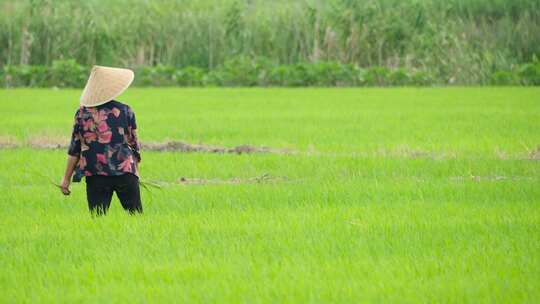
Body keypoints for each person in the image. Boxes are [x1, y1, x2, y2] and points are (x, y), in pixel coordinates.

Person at [60, 65, 143, 215]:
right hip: (125, 172)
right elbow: (134, 146)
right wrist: (136, 173)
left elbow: (75, 149)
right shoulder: (125, 111)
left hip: (95, 174)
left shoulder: (81, 114)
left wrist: (66, 179)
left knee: (98, 221)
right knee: (136, 218)